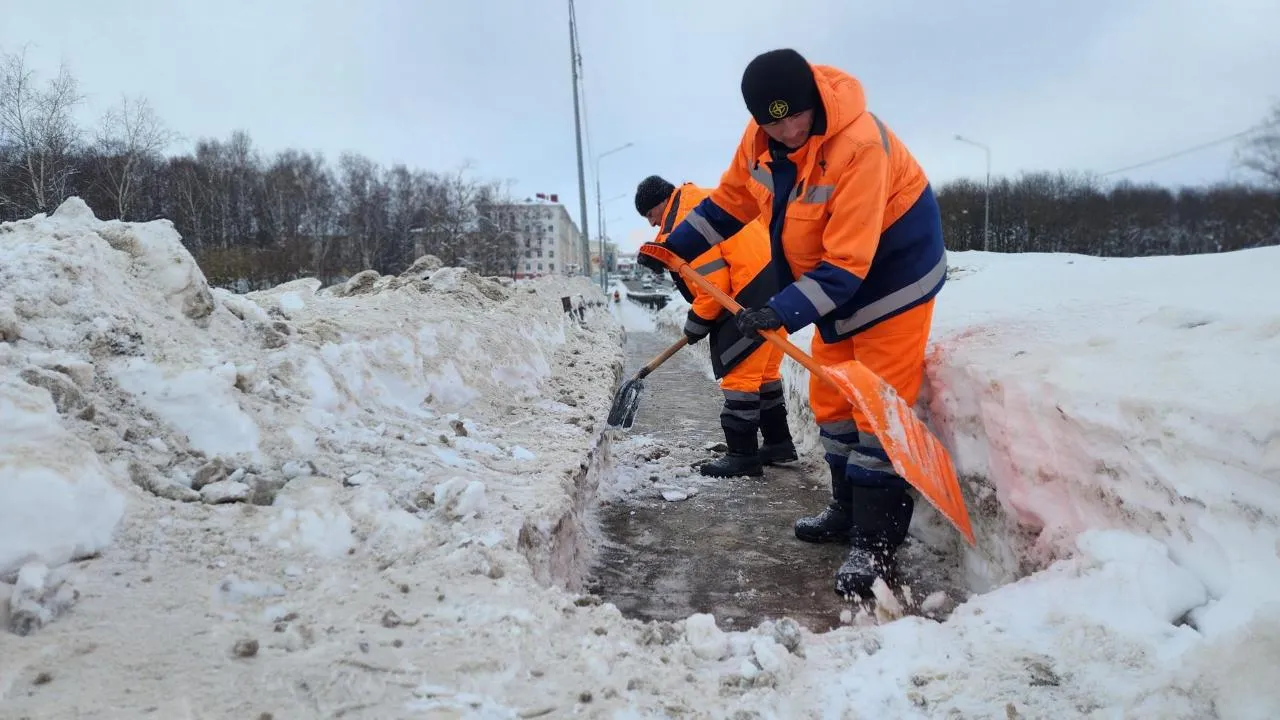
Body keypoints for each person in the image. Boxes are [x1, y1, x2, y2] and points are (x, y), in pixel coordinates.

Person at [636, 49, 947, 599]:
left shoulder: (860, 146)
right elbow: (730, 204)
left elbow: (851, 262)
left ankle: (875, 544)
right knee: (831, 400)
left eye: (794, 116)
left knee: (875, 407)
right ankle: (846, 512)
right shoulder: (760, 142)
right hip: (833, 287)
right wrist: (672, 246)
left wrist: (781, 310)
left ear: (814, 102)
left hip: (893, 282)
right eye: (771, 120)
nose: (786, 130)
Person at [634, 174, 798, 478]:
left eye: (650, 216)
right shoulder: (705, 200)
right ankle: (778, 444)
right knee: (763, 377)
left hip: (748, 296)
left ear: (660, 204)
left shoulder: (686, 222)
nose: (652, 225)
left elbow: (712, 285)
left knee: (739, 378)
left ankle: (743, 456)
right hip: (777, 288)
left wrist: (697, 323)